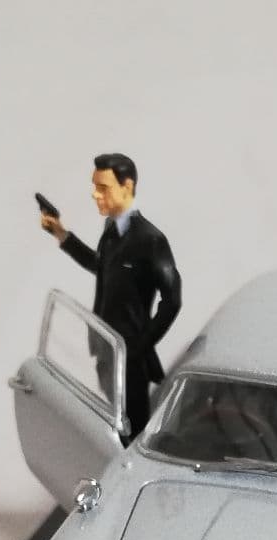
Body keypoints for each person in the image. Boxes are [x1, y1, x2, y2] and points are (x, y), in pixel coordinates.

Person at [40, 153, 182, 437]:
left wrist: (138, 348)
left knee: (134, 430)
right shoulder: (111, 232)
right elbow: (102, 266)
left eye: (103, 187)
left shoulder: (150, 240)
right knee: (112, 425)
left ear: (126, 187)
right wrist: (60, 233)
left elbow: (172, 300)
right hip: (106, 351)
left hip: (130, 361)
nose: (95, 194)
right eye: (95, 187)